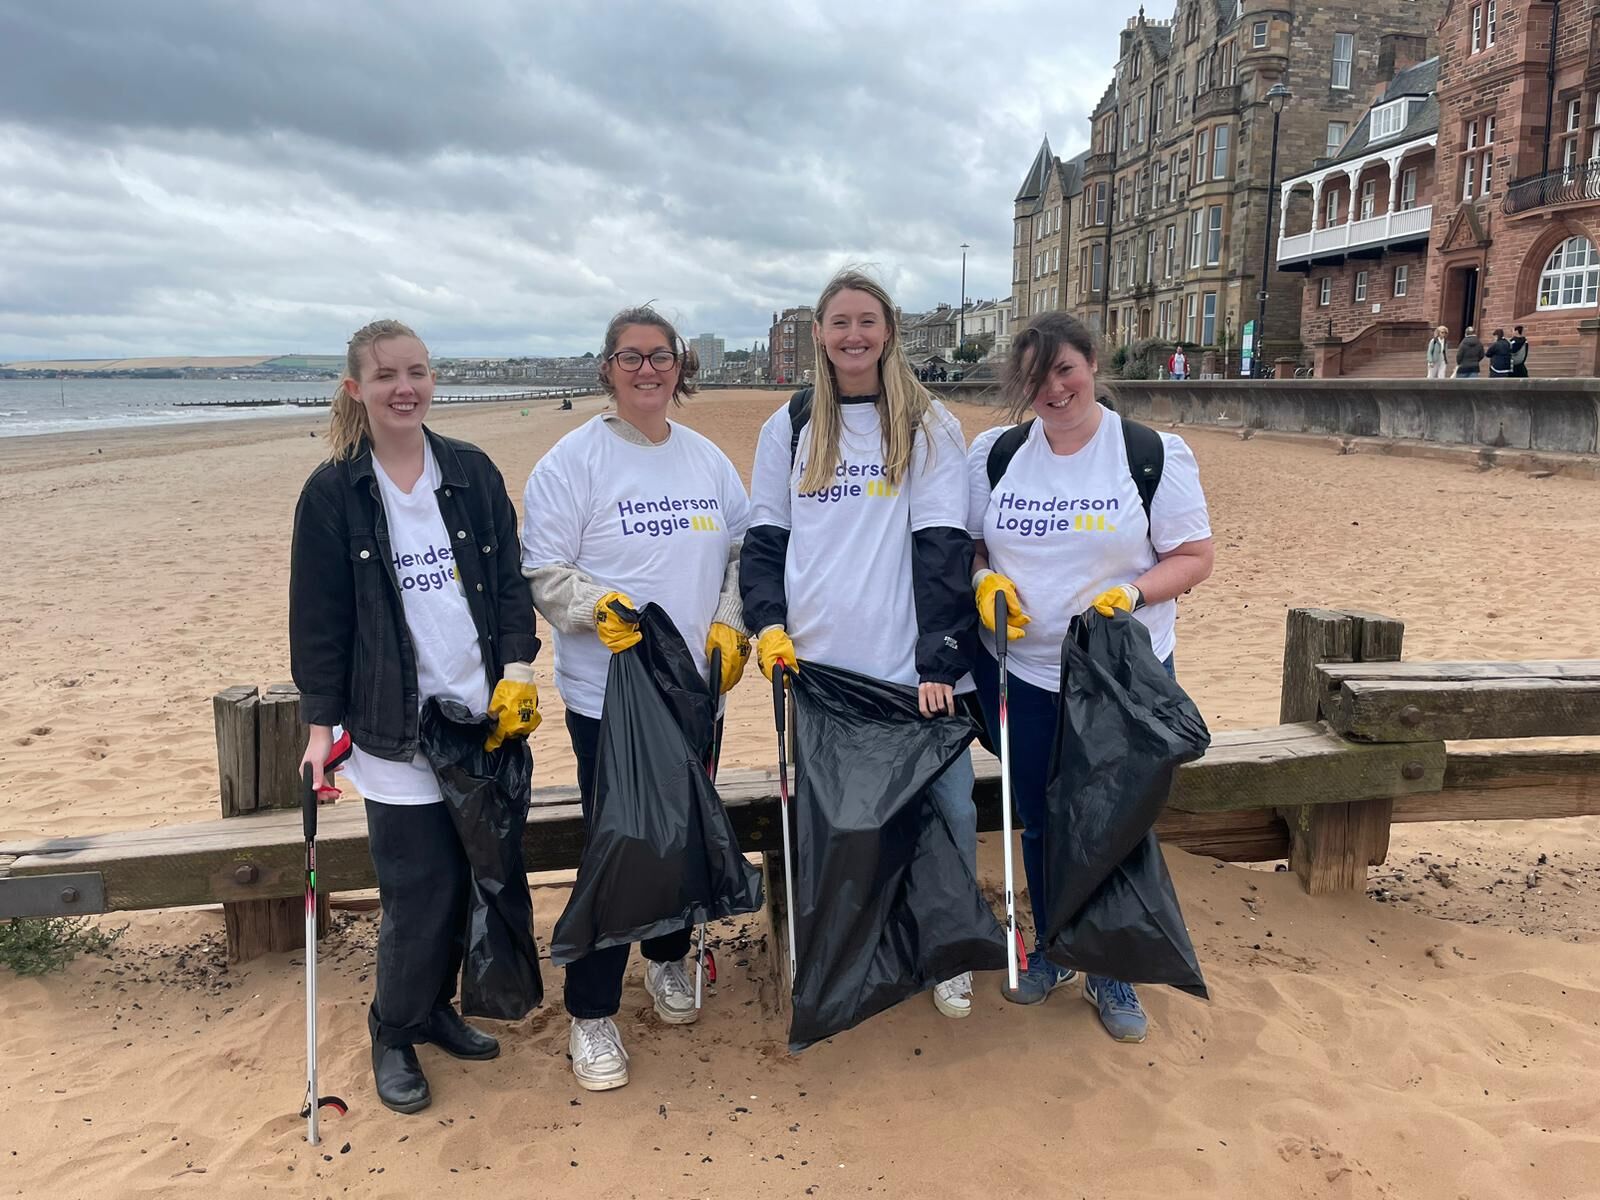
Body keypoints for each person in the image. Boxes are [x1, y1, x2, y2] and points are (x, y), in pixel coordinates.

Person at [289, 319, 542, 1115]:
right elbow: (318, 621)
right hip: (392, 727)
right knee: (418, 890)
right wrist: (318, 731)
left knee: (471, 877)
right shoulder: (334, 491)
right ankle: (392, 1030)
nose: (406, 387)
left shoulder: (467, 470)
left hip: (478, 719)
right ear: (355, 388)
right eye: (388, 374)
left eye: (419, 372)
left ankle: (435, 1010)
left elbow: (508, 584)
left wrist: (518, 670)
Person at [520, 306, 751, 1092]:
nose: (646, 370)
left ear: (680, 366)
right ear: (607, 368)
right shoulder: (571, 462)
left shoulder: (708, 461)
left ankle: (666, 959)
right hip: (609, 698)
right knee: (619, 845)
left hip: (695, 690)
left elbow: (743, 551)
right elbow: (543, 572)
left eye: (660, 357)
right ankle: (591, 1013)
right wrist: (595, 609)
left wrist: (729, 622)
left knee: (684, 833)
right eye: (630, 357)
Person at [966, 311, 1214, 1042]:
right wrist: (984, 582)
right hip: (1025, 673)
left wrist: (1132, 594)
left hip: (1116, 679)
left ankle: (1112, 969)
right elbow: (971, 545)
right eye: (1037, 376)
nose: (1054, 388)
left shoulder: (1149, 453)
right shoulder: (998, 453)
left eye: (1065, 369)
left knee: (1112, 823)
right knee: (1041, 819)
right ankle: (1053, 948)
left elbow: (1194, 556)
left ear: (1093, 365)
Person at [740, 268, 978, 1020]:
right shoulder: (791, 423)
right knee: (837, 815)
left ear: (889, 329)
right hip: (820, 667)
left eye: (866, 321)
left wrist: (939, 660)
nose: (853, 335)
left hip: (913, 669)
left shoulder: (929, 422)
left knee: (950, 810)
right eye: (839, 322)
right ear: (820, 332)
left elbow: (943, 543)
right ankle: (846, 941)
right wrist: (767, 625)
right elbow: (766, 539)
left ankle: (947, 950)